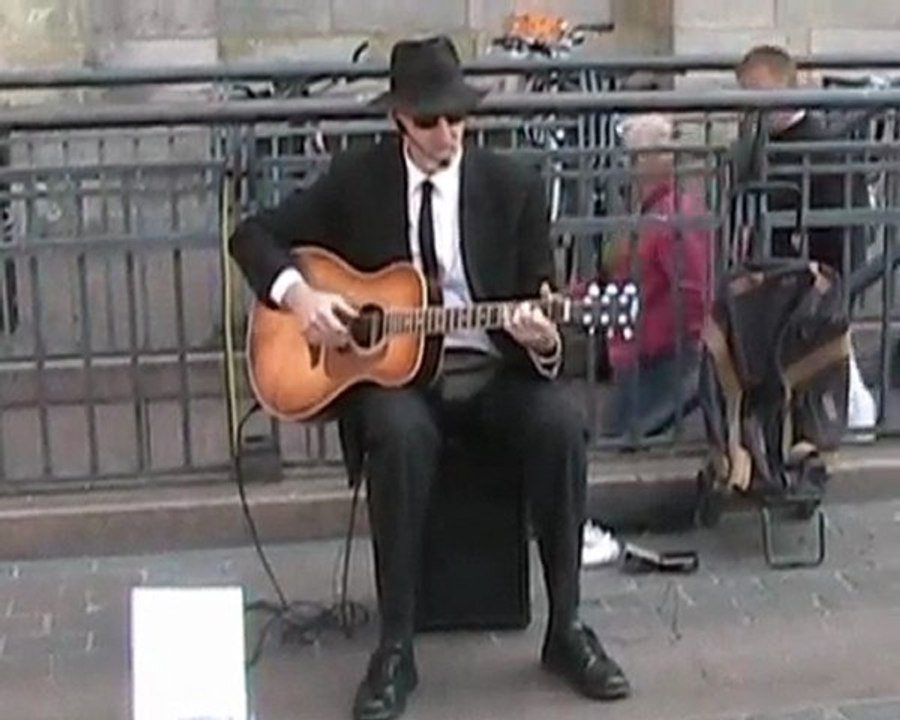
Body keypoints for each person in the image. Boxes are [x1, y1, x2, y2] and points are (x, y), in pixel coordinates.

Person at [229, 35, 630, 720]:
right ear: (398, 119)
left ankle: (566, 628)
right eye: (429, 120)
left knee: (561, 424)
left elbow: (542, 304)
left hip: (492, 372)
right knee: (398, 434)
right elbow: (251, 235)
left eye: (457, 117)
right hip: (400, 384)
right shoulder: (359, 181)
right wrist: (302, 297)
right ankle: (395, 648)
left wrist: (542, 336)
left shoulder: (512, 187)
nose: (446, 134)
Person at [602, 113, 711, 440]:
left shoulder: (672, 217)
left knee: (622, 443)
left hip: (660, 359)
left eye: (632, 157)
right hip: (643, 351)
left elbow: (694, 294)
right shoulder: (657, 212)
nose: (627, 167)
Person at [733, 44, 868, 276]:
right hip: (772, 273)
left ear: (788, 89)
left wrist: (822, 277)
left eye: (758, 92)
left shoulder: (822, 151)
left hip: (806, 278)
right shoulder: (758, 142)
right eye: (745, 92)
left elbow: (841, 233)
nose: (751, 106)